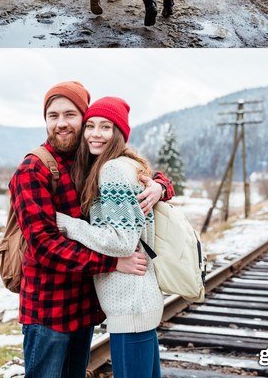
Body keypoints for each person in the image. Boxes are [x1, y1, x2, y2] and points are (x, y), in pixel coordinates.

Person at [9, 83, 173, 378]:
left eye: (70, 115)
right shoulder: (34, 169)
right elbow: (45, 246)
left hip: (84, 305)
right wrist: (111, 262)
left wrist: (160, 186)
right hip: (50, 308)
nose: (61, 123)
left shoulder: (91, 161)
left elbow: (135, 173)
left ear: (82, 118)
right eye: (53, 115)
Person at [56, 97, 170, 378]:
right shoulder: (126, 165)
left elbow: (121, 242)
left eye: (105, 127)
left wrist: (68, 224)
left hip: (129, 302)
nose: (95, 134)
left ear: (118, 133)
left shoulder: (112, 170)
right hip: (137, 300)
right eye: (91, 126)